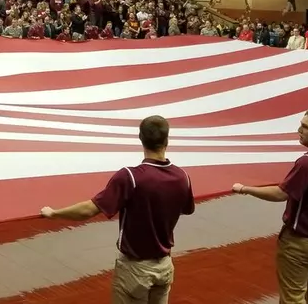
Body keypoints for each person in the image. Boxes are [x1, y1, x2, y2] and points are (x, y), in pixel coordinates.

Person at [40, 116, 194, 304]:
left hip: (135, 270)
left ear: (140, 138)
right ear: (167, 140)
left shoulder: (130, 177)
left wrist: (54, 213)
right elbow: (185, 209)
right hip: (164, 267)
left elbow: (89, 210)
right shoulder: (182, 177)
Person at [231, 110, 308, 304]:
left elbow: (281, 193)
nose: (298, 130)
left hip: (300, 243)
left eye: (305, 127)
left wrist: (244, 189)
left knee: (292, 298)